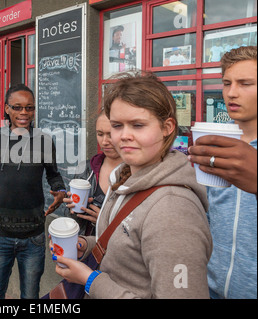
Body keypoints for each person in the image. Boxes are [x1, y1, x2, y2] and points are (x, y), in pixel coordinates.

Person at [51, 71, 212, 298]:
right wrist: (87, 245)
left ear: (167, 127)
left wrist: (90, 281)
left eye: (137, 125)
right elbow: (130, 248)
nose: (124, 136)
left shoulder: (173, 210)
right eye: (117, 125)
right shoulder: (127, 177)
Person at [0, 83, 66, 299]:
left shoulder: (44, 141)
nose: (24, 113)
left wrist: (60, 190)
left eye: (29, 108)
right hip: (0, 235)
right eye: (17, 107)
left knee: (30, 296)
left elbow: (53, 174)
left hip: (33, 237)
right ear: (7, 109)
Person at [188, 46, 257, 299]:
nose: (232, 93)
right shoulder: (215, 140)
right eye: (227, 83)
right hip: (210, 288)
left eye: (245, 83)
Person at [64, 112, 123, 235]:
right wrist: (72, 208)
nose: (105, 141)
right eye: (100, 134)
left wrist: (105, 222)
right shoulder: (86, 168)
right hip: (86, 248)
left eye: (110, 134)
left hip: (119, 251)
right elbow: (73, 221)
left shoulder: (137, 173)